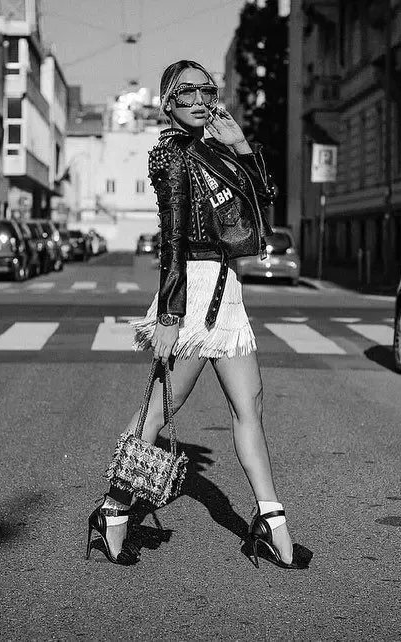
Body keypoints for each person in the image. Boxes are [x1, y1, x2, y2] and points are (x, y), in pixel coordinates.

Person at [86, 60, 310, 570]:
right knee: (159, 412)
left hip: (227, 293)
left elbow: (263, 205)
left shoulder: (214, 150)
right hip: (191, 294)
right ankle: (113, 511)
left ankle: (272, 524)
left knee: (250, 407)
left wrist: (242, 146)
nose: (199, 100)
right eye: (186, 92)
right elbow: (172, 239)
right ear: (167, 101)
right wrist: (169, 317)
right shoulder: (171, 155)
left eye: (207, 90)